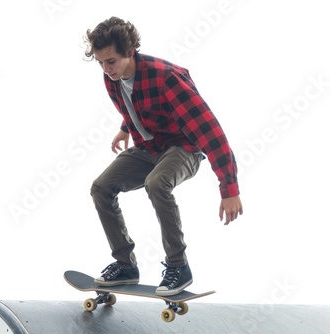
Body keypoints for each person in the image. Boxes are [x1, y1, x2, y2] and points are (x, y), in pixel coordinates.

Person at [84, 17, 243, 296]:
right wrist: (125, 128)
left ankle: (178, 266)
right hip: (150, 147)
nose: (106, 69)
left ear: (129, 51)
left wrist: (229, 189)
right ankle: (125, 265)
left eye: (110, 61)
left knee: (157, 183)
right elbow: (136, 105)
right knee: (101, 187)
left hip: (184, 148)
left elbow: (211, 133)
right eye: (100, 62)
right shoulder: (113, 79)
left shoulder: (167, 78)